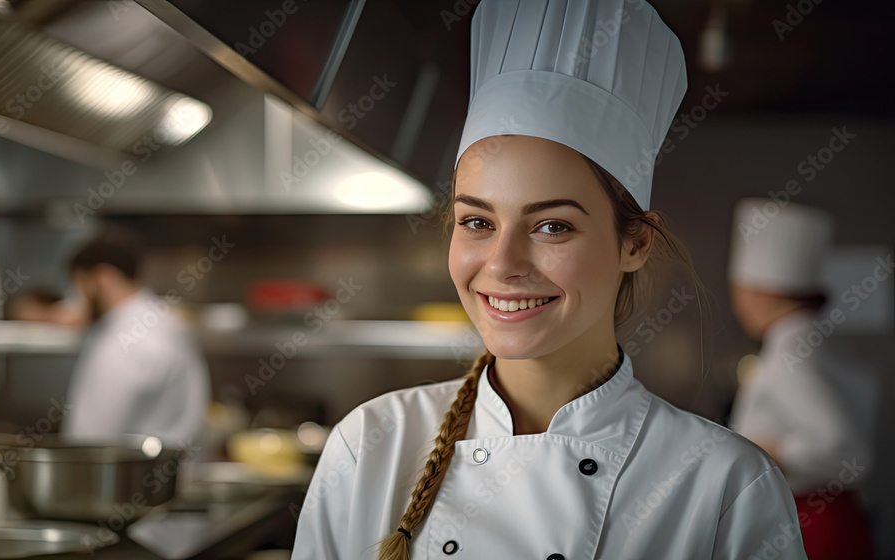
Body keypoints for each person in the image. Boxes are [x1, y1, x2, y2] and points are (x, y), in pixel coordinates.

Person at [293, 1, 806, 558]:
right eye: (477, 222)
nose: (502, 263)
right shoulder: (369, 445)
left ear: (635, 242)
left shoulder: (724, 484)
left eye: (552, 226)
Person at [729, 199, 878, 560]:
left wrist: (756, 448)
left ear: (760, 293)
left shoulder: (790, 351)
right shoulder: (819, 340)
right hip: (834, 516)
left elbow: (845, 451)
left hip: (811, 521)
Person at [61, 230, 210, 447]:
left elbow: (89, 442)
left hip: (130, 478)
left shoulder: (121, 342)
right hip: (175, 471)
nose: (78, 302)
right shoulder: (168, 323)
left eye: (79, 286)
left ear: (101, 278)